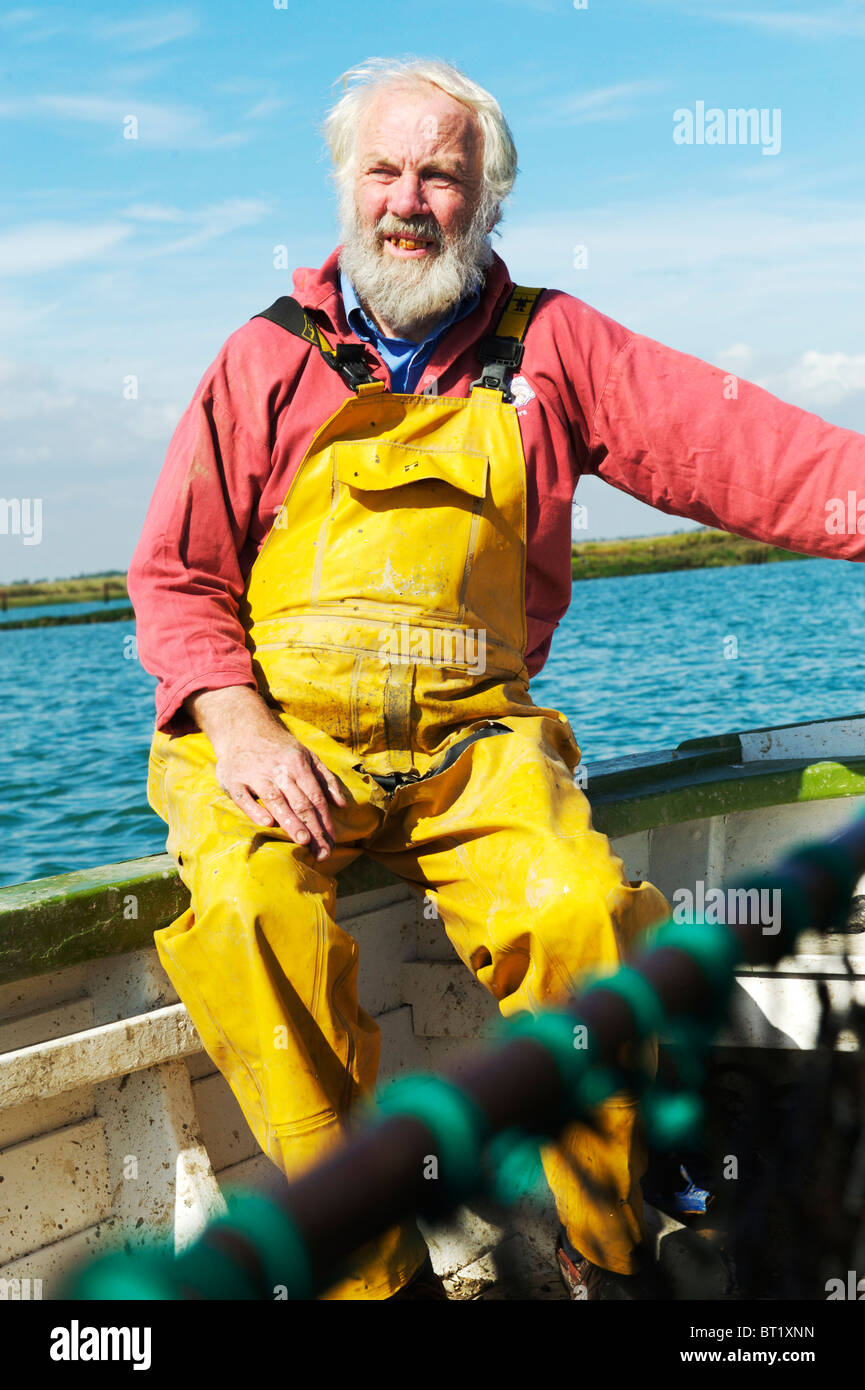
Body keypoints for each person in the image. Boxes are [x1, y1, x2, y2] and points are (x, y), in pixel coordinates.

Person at [128, 56, 865, 1301]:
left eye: (442, 175)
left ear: (489, 200)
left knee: (582, 913)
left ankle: (607, 1250)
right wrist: (242, 731)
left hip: (477, 748)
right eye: (384, 169)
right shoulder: (262, 358)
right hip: (281, 738)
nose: (408, 198)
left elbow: (745, 450)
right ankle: (370, 1280)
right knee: (252, 923)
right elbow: (176, 578)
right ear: (345, 187)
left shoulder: (551, 345)